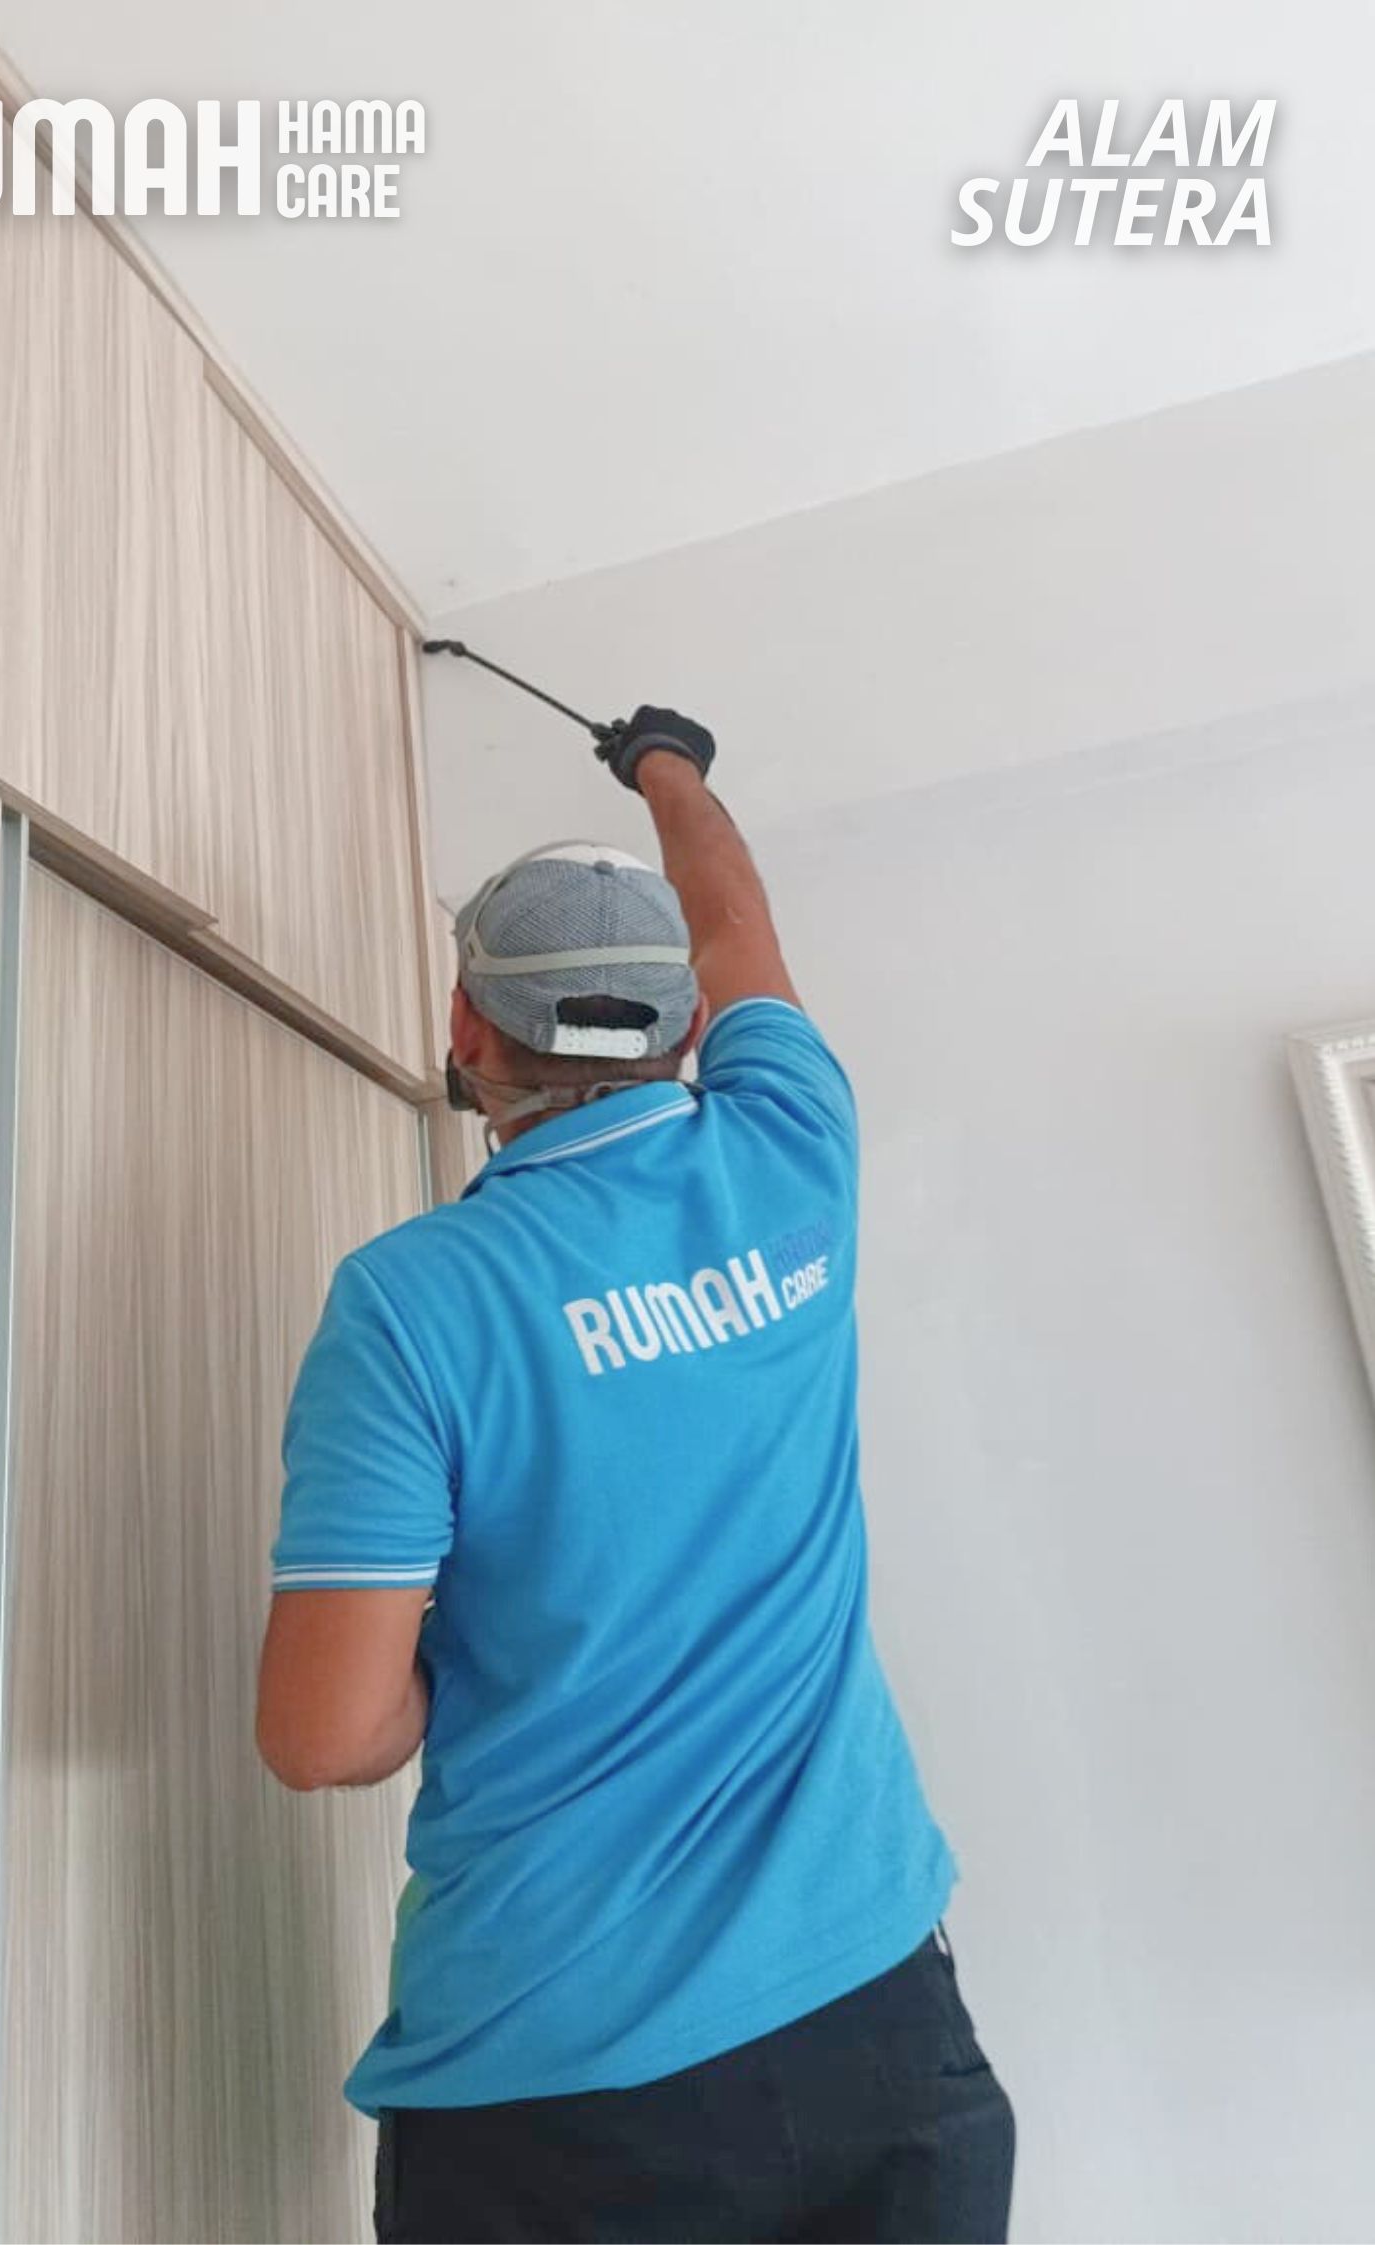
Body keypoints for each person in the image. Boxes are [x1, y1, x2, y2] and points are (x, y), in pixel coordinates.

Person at [256, 708, 1016, 2243]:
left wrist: (457, 1655)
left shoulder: (413, 1302)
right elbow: (735, 924)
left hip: (559, 2094)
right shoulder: (792, 1145)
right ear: (692, 1027)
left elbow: (323, 1735)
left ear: (467, 1031)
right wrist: (670, 765)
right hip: (879, 2027)